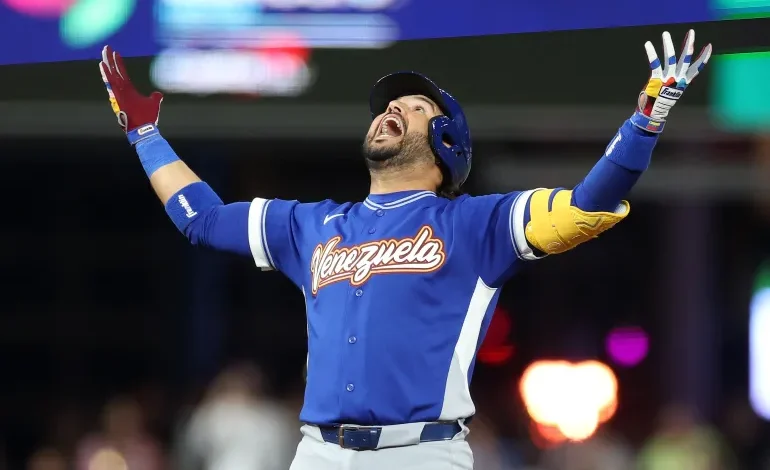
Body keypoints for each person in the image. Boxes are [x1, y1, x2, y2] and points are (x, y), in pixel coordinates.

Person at [97, 30, 711, 470]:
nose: (391, 109)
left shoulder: (477, 224)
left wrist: (644, 124)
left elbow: (584, 208)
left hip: (422, 453)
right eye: (388, 105)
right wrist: (145, 134)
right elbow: (201, 219)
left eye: (413, 108)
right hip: (316, 453)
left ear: (445, 143)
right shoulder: (311, 226)